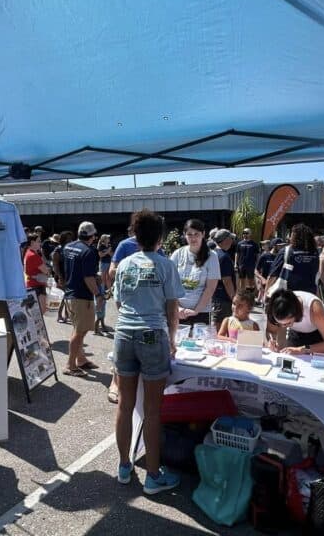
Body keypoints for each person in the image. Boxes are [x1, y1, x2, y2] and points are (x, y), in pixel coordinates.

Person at [112, 209, 184, 494]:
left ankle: (123, 466)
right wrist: (173, 339)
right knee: (153, 410)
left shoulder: (125, 264)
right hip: (153, 335)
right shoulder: (165, 265)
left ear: (135, 235)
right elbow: (172, 310)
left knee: (124, 405)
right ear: (161, 237)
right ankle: (153, 475)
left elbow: (119, 304)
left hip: (123, 333)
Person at [62, 222, 103, 377]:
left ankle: (81, 360)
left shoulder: (68, 247)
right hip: (81, 296)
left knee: (77, 329)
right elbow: (87, 277)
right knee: (80, 332)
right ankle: (70, 365)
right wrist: (98, 294)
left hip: (70, 293)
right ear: (92, 236)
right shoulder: (89, 251)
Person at [170, 219, 221, 330]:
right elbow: (169, 285)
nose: (193, 238)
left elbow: (210, 288)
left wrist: (196, 310)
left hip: (201, 312)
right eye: (189, 234)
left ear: (203, 234)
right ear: (184, 235)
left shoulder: (212, 256)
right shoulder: (177, 254)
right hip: (179, 312)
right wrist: (177, 308)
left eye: (196, 234)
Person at [266, 289, 324, 355]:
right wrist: (274, 344)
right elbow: (273, 333)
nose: (283, 327)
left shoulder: (314, 309)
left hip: (320, 335)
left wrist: (303, 349)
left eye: (287, 323)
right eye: (279, 323)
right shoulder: (276, 307)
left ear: (297, 313)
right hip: (298, 333)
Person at [267, 223, 320, 296]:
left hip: (289, 296)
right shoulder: (315, 253)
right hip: (309, 294)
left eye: (291, 234)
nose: (289, 237)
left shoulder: (286, 251)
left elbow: (273, 275)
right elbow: (316, 273)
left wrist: (266, 292)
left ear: (295, 236)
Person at [211, 229, 237, 329]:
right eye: (231, 238)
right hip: (223, 299)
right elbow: (227, 281)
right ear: (225, 240)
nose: (232, 241)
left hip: (215, 296)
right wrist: (234, 298)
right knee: (221, 328)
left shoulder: (213, 254)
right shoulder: (224, 257)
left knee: (217, 327)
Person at [52, 230, 75, 323]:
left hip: (69, 276)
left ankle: (67, 315)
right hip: (61, 276)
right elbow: (55, 266)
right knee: (61, 297)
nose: (70, 240)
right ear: (63, 239)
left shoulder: (71, 249)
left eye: (71, 238)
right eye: (68, 238)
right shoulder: (58, 250)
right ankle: (59, 315)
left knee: (68, 296)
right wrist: (60, 277)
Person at [24, 233, 50, 313]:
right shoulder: (33, 255)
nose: (40, 243)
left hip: (32, 284)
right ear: (32, 243)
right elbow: (46, 270)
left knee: (36, 312)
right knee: (41, 311)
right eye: (38, 241)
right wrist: (48, 270)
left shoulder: (28, 253)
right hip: (37, 285)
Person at [235, 228, 258, 293]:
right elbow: (237, 254)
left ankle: (251, 295)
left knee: (251, 280)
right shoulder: (239, 243)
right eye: (244, 233)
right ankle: (242, 294)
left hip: (251, 265)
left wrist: (257, 265)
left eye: (246, 233)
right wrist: (235, 264)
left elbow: (257, 255)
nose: (245, 234)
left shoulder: (254, 244)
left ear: (250, 234)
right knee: (242, 280)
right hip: (241, 265)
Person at [255, 240, 274, 304]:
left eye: (264, 244)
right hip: (263, 275)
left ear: (269, 245)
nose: (262, 245)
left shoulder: (274, 255)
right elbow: (258, 267)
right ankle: (260, 300)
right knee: (262, 288)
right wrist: (259, 277)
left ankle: (260, 300)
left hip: (271, 277)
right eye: (262, 244)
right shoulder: (263, 254)